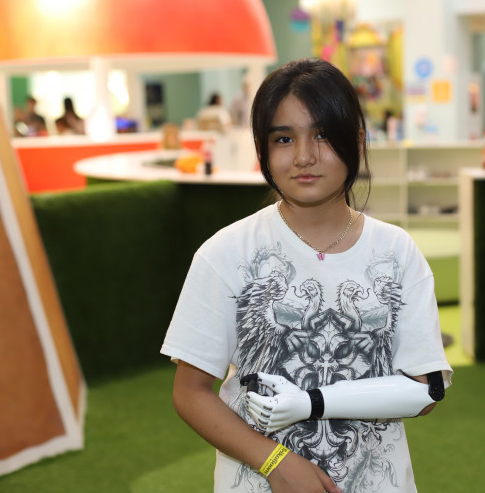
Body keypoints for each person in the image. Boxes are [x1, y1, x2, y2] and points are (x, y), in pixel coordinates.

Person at [161, 57, 452, 493]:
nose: (304, 156)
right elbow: (191, 392)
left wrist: (309, 402)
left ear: (357, 141)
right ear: (261, 149)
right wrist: (274, 461)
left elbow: (426, 392)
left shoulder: (396, 253)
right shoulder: (226, 253)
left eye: (323, 135)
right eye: (284, 138)